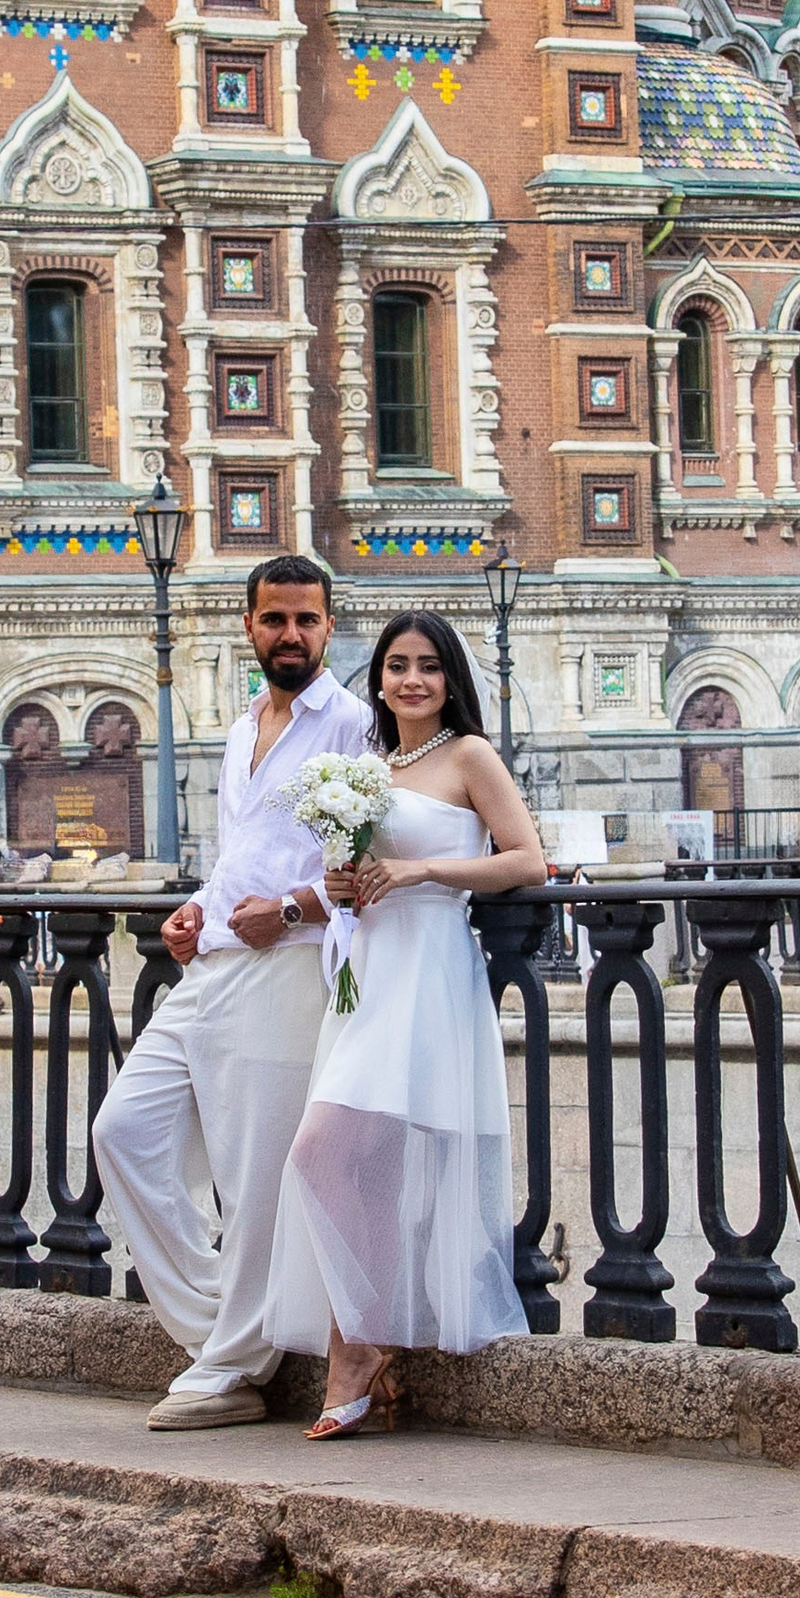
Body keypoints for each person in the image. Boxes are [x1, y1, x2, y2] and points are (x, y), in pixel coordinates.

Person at [91, 552, 373, 1431]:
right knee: (124, 1131)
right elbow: (238, 855)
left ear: (330, 627)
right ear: (248, 625)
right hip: (210, 960)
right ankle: (229, 1323)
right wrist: (195, 908)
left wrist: (290, 909)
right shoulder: (244, 721)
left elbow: (370, 868)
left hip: (288, 963)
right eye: (274, 618)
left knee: (254, 1175)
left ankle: (234, 1365)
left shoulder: (354, 725)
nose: (290, 634)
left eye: (307, 620)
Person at [265, 610, 546, 1435]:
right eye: (396, 665)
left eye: (427, 665)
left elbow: (527, 857)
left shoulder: (469, 756)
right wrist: (343, 878)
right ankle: (367, 1338)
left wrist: (422, 867)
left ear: (450, 677)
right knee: (340, 1159)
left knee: (343, 1153)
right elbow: (343, 875)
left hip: (429, 970)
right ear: (379, 678)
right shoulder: (367, 764)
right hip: (369, 971)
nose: (411, 679)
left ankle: (355, 1349)